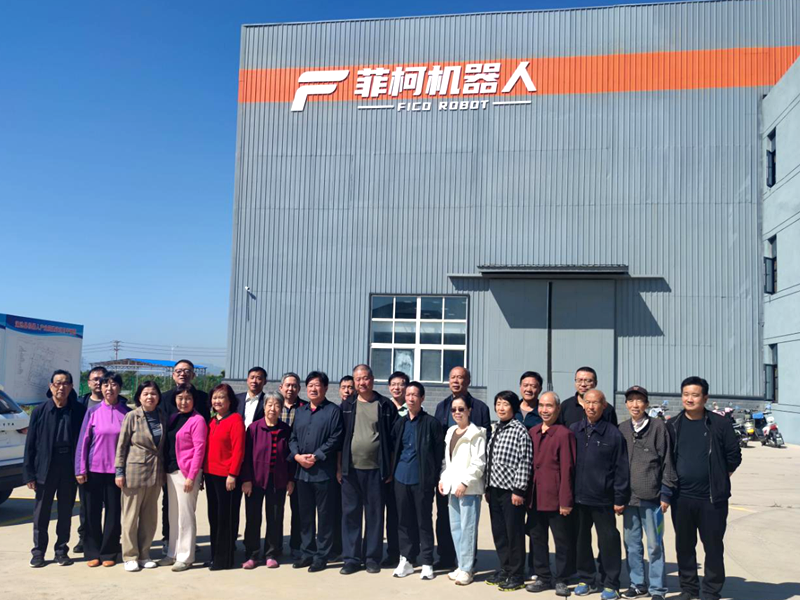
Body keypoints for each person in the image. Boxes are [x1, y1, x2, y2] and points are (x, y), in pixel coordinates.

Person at [668, 377, 741, 600]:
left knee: (713, 546)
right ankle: (689, 589)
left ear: (705, 398)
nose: (689, 399)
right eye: (686, 394)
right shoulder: (672, 425)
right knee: (684, 546)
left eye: (695, 395)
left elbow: (734, 456)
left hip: (712, 499)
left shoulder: (720, 424)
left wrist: (719, 477)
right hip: (681, 498)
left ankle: (711, 591)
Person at [617, 386, 676, 600]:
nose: (635, 405)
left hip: (652, 498)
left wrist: (666, 493)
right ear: (626, 404)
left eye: (640, 400)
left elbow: (667, 460)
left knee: (654, 545)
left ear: (647, 404)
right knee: (632, 545)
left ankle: (657, 589)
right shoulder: (622, 429)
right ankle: (637, 584)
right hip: (629, 500)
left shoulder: (658, 427)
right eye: (631, 400)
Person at [570, 389, 629, 600]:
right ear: (582, 404)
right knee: (581, 540)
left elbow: (622, 469)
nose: (591, 406)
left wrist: (619, 498)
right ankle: (586, 578)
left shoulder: (613, 434)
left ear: (604, 406)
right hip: (579, 498)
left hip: (603, 499)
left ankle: (611, 582)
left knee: (608, 541)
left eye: (596, 403)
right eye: (588, 402)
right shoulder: (574, 430)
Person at [23, 370, 87, 567]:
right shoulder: (40, 411)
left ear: (71, 387)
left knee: (65, 511)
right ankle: (38, 552)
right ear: (51, 386)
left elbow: (85, 442)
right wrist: (29, 474)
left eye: (66, 383)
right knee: (41, 513)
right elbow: (30, 444)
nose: (61, 387)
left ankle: (61, 550)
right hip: (45, 467)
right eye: (57, 383)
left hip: (68, 466)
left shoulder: (79, 410)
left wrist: (81, 468)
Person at [339, 364, 397, 574]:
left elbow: (392, 441)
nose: (361, 383)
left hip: (376, 469)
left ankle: (372, 558)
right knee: (351, 515)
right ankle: (351, 559)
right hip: (351, 469)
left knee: (374, 515)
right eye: (358, 379)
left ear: (372, 379)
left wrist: (389, 469)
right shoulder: (347, 405)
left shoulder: (384, 405)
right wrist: (339, 468)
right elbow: (340, 439)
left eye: (365, 378)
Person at [433, 366, 491, 570]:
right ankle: (447, 557)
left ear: (468, 381)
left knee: (468, 524)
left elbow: (484, 447)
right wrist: (442, 476)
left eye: (460, 377)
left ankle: (467, 563)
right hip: (448, 475)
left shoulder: (480, 408)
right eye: (452, 377)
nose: (456, 381)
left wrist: (471, 479)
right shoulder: (441, 406)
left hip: (469, 478)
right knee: (446, 519)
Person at [75, 371, 131, 567]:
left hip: (117, 473)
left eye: (113, 384)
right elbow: (83, 441)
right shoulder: (93, 412)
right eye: (106, 384)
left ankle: (109, 552)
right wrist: (80, 469)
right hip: (93, 471)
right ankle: (92, 551)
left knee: (113, 514)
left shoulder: (127, 413)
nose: (109, 388)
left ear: (119, 388)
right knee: (91, 513)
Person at [289, 371, 343, 572]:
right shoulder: (300, 411)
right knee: (305, 516)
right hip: (302, 473)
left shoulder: (333, 411)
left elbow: (336, 437)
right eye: (310, 385)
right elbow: (292, 437)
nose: (313, 389)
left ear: (325, 388)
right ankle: (307, 553)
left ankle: (321, 556)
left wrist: (317, 456)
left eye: (317, 385)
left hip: (323, 473)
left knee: (325, 516)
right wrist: (297, 456)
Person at [390, 382, 444, 581]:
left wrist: (434, 477)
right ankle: (406, 559)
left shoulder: (431, 423)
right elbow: (395, 448)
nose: (411, 398)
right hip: (401, 478)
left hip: (422, 480)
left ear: (422, 398)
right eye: (408, 395)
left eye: (415, 395)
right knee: (403, 521)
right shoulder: (400, 423)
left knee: (423, 521)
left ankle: (427, 562)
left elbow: (439, 453)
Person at [525, 391, 576, 597]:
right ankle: (543, 576)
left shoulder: (564, 434)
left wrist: (566, 501)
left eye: (549, 406)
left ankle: (562, 578)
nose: (544, 410)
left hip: (556, 498)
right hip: (535, 497)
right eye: (542, 406)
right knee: (537, 539)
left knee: (562, 541)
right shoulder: (533, 432)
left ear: (558, 409)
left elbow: (568, 469)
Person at [115, 381, 168, 572]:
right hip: (134, 472)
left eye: (153, 394)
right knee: (130, 516)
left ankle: (145, 554)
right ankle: (130, 556)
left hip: (155, 472)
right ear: (139, 397)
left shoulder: (162, 415)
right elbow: (122, 445)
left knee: (149, 517)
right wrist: (119, 471)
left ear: (158, 397)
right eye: (146, 394)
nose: (150, 397)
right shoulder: (132, 416)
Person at [241, 391, 295, 569]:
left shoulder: (286, 430)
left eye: (277, 405)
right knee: (253, 517)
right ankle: (252, 554)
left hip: (277, 480)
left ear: (281, 408)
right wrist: (246, 479)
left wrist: (290, 479)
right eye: (269, 405)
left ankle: (271, 553)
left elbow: (290, 457)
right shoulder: (254, 428)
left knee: (275, 517)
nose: (273, 408)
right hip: (255, 480)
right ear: (264, 407)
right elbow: (246, 456)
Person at [485, 391, 533, 592]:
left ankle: (517, 574)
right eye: (498, 403)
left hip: (511, 492)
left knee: (514, 534)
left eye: (505, 404)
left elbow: (525, 461)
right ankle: (505, 569)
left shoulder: (519, 430)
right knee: (500, 533)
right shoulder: (496, 428)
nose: (501, 408)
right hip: (494, 489)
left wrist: (519, 490)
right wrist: (487, 486)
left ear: (513, 407)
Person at [159, 359, 210, 545]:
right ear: (173, 375)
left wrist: (199, 470)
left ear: (193, 375)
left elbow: (202, 439)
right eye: (179, 371)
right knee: (169, 503)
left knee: (187, 506)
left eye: (187, 371)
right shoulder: (163, 398)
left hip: (190, 463)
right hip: (169, 462)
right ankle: (169, 539)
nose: (183, 374)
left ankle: (187, 544)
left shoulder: (203, 398)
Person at [438, 394, 486, 586]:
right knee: (456, 528)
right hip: (453, 488)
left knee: (468, 529)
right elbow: (447, 460)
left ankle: (467, 569)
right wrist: (443, 479)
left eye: (461, 409)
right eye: (454, 409)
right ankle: (461, 564)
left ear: (469, 411)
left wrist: (465, 483)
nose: (457, 412)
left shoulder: (476, 434)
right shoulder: (451, 431)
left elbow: (479, 462)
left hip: (469, 489)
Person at [204, 384, 245, 570]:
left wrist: (232, 474)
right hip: (211, 474)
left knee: (225, 518)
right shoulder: (213, 421)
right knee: (214, 517)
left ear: (230, 401)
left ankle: (224, 559)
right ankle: (215, 556)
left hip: (226, 477)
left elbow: (239, 450)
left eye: (221, 397)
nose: (217, 401)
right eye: (214, 397)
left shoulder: (235, 420)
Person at [233, 366, 268, 544]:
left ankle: (251, 546)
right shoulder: (236, 400)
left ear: (264, 381)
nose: (255, 381)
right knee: (231, 507)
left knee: (253, 508)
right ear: (247, 379)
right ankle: (230, 543)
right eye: (252, 377)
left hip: (255, 461)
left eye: (259, 378)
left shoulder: (268, 401)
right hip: (234, 460)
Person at [280, 372, 308, 559]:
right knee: (274, 508)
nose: (290, 389)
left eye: (294, 385)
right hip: (276, 464)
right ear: (281, 387)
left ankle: (297, 545)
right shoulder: (272, 405)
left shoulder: (305, 408)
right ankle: (274, 545)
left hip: (297, 464)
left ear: (299, 388)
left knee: (298, 508)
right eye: (287, 385)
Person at [383, 370, 409, 568]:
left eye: (401, 384)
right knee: (391, 513)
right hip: (386, 468)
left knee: (405, 513)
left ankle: (408, 552)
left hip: (405, 467)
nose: (397, 387)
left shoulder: (413, 409)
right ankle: (392, 552)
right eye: (393, 384)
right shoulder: (384, 406)